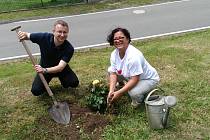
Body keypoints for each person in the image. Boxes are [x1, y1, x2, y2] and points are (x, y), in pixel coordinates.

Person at [18, 20, 79, 96]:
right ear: (53, 32)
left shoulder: (69, 48)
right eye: (59, 32)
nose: (62, 35)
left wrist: (44, 70)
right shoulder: (44, 38)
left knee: (73, 83)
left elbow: (60, 67)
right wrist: (22, 35)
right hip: (45, 68)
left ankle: (64, 81)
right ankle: (44, 85)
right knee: (36, 91)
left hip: (60, 70)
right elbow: (27, 35)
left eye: (65, 32)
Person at [106, 27, 160, 107]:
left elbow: (135, 79)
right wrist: (111, 90)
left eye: (121, 38)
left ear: (127, 39)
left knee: (132, 92)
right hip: (131, 76)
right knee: (110, 72)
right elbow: (113, 73)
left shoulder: (133, 56)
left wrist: (119, 93)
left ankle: (138, 101)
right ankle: (121, 86)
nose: (118, 40)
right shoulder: (114, 54)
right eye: (115, 39)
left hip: (148, 79)